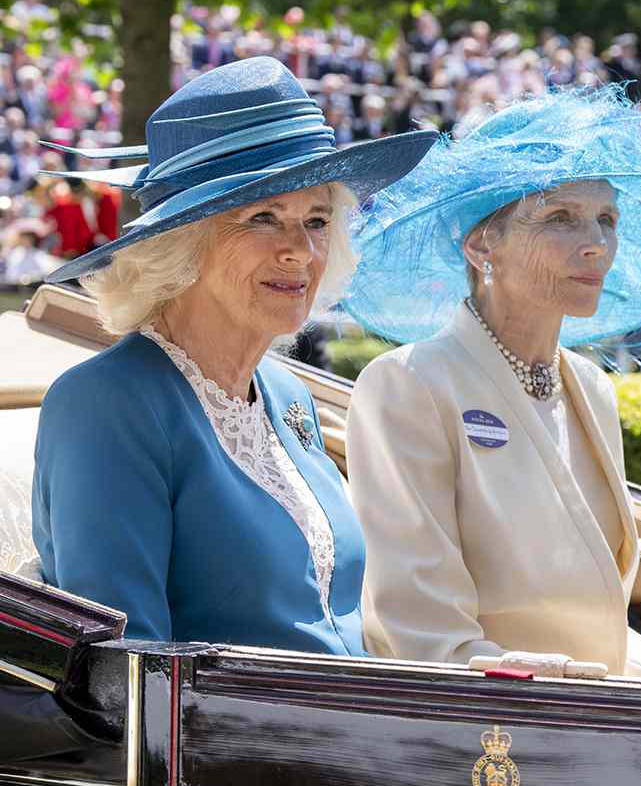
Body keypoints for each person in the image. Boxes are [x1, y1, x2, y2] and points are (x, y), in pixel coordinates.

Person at [342, 85, 641, 684]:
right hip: (487, 744)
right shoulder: (408, 387)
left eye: (607, 219)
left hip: (589, 722)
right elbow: (420, 635)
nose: (597, 244)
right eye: (560, 218)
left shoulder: (591, 388)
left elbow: (596, 622)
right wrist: (560, 688)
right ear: (481, 245)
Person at [30, 57, 437, 650]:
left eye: (317, 219)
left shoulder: (286, 394)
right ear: (181, 244)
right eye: (263, 217)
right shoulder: (107, 404)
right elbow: (126, 674)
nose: (300, 250)